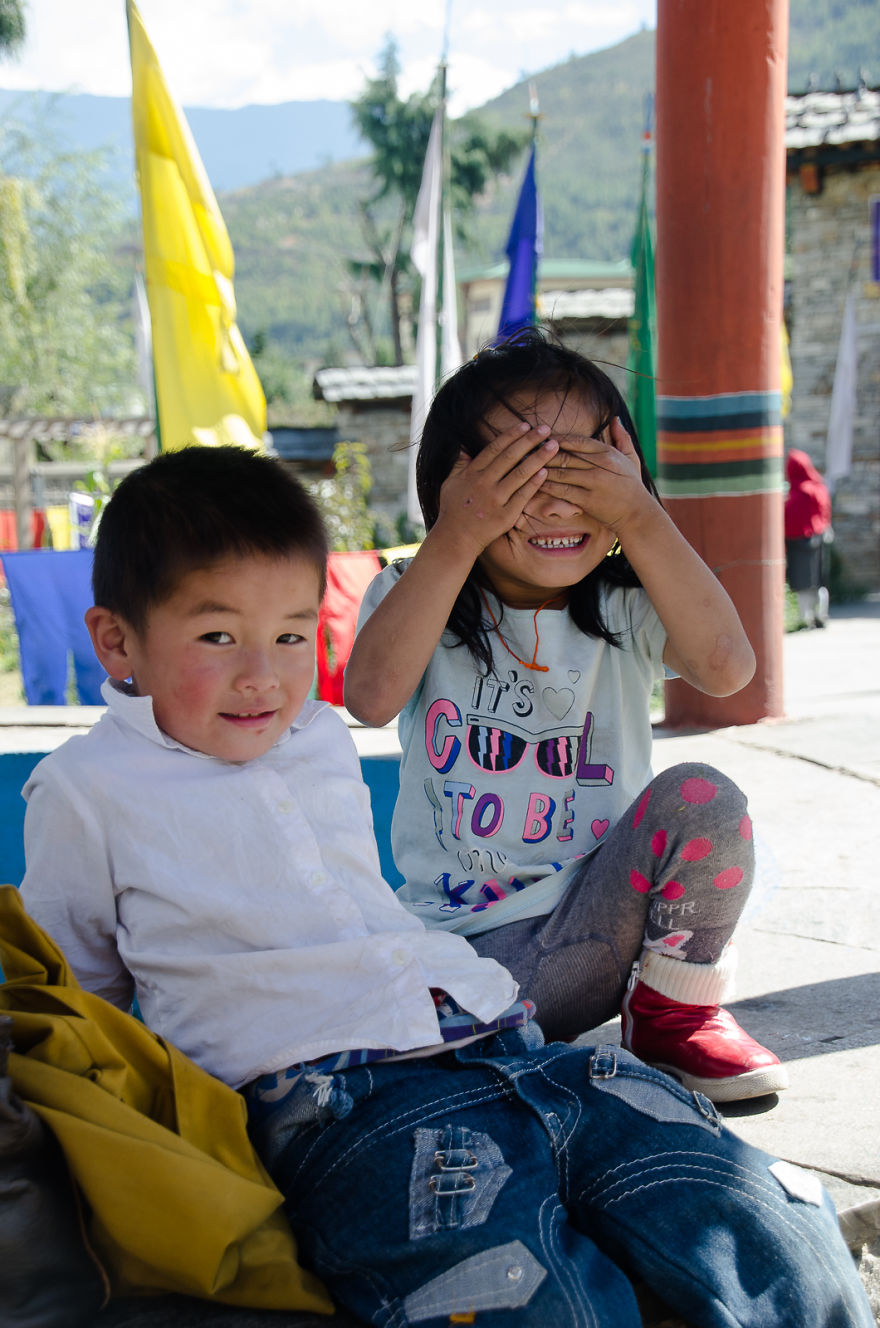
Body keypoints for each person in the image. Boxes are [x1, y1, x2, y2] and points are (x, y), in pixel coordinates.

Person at [18, 446, 872, 1328]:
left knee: (749, 1205)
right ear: (117, 640)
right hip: (338, 1108)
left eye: (290, 634)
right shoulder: (88, 789)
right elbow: (79, 1002)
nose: (262, 675)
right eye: (216, 636)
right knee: (512, 1292)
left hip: (508, 1048)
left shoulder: (315, 740)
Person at [346, 329, 788, 1105]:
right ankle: (492, 1045)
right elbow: (369, 696)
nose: (557, 501)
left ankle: (672, 1020)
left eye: (586, 471)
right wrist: (455, 537)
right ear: (456, 484)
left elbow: (728, 670)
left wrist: (642, 517)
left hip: (601, 936)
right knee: (371, 1034)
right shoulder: (421, 594)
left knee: (704, 798)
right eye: (521, 473)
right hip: (461, 961)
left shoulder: (622, 607)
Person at [785, 448, 833, 629]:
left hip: (799, 542)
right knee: (818, 579)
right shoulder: (819, 487)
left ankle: (806, 619)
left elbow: (789, 517)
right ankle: (821, 614)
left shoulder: (799, 492)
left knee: (803, 581)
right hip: (819, 538)